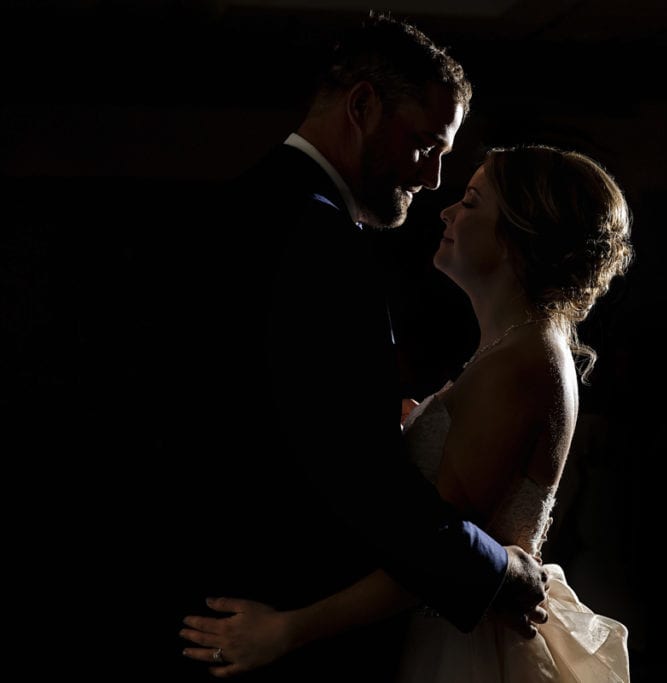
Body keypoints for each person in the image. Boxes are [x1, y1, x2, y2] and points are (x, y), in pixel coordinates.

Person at [159, 12, 547, 682]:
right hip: (275, 611)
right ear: (363, 105)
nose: (431, 180)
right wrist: (495, 569)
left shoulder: (236, 210)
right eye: (426, 144)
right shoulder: (319, 240)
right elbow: (359, 477)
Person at [179, 144, 634, 681]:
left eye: (469, 202)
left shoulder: (521, 363)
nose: (445, 211)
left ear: (517, 236)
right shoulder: (517, 350)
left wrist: (287, 629)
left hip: (463, 647)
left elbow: (431, 558)